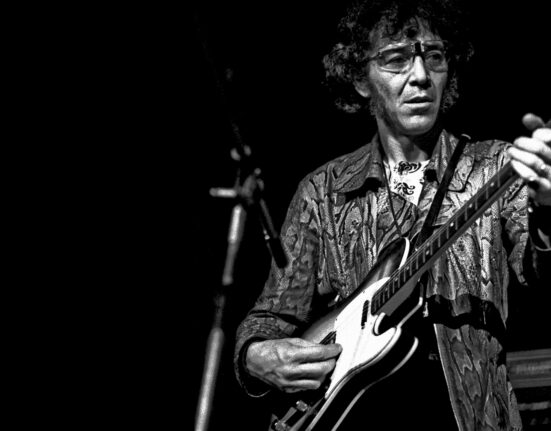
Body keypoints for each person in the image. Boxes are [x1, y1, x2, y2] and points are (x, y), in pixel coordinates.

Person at [233, 0, 550, 429]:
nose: (420, 76)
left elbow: (542, 276)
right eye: (396, 59)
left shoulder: (495, 167)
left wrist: (548, 208)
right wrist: (255, 355)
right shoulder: (322, 191)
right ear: (360, 78)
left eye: (434, 57)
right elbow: (271, 317)